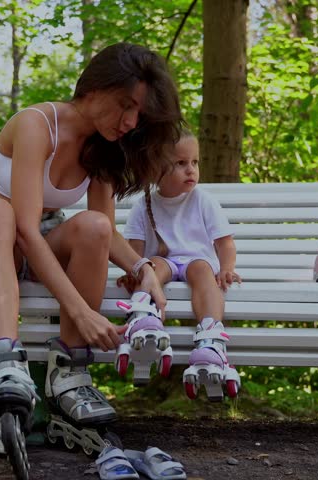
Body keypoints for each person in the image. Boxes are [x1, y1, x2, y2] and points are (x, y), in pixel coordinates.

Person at [0, 42, 184, 477]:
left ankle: (69, 373)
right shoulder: (37, 124)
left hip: (39, 247)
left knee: (93, 225)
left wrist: (141, 268)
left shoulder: (104, 148)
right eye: (125, 105)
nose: (131, 122)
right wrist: (80, 309)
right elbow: (22, 226)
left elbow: (106, 230)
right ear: (95, 88)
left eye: (139, 114)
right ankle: (4, 367)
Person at [118, 131, 242, 402]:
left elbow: (225, 243)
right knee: (154, 266)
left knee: (202, 270)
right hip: (162, 262)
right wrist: (133, 271)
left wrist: (226, 267)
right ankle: (145, 318)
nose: (191, 170)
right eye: (181, 163)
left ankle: (210, 332)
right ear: (156, 169)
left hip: (196, 261)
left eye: (195, 163)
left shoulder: (203, 200)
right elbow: (134, 248)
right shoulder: (145, 204)